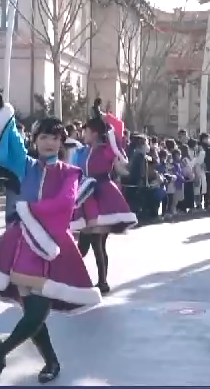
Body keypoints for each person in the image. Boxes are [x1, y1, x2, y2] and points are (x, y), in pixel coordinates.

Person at [0, 76, 101, 383]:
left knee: (37, 312)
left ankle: (2, 350)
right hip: (21, 246)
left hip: (53, 246)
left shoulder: (70, 172)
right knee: (34, 311)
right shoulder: (25, 165)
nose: (49, 142)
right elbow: (8, 138)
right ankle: (51, 362)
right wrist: (2, 107)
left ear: (61, 142)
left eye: (55, 137)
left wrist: (29, 210)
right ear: (35, 139)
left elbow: (65, 203)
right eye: (44, 136)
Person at [71, 99, 138, 295]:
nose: (83, 134)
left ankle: (102, 281)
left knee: (97, 242)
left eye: (86, 131)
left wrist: (101, 114)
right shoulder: (81, 151)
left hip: (103, 196)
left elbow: (118, 128)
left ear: (94, 133)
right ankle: (71, 278)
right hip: (85, 196)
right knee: (83, 245)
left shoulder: (108, 149)